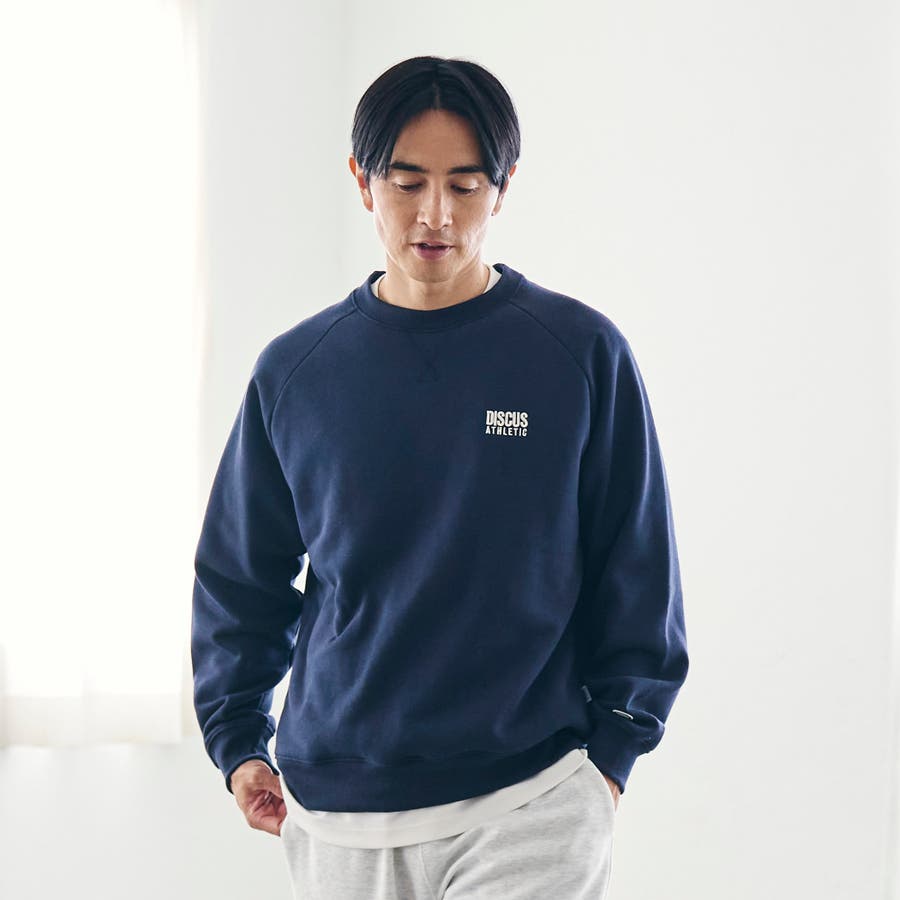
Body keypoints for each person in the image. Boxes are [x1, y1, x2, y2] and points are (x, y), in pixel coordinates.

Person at [191, 54, 689, 900]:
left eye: (465, 185)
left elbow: (637, 566)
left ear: (504, 188)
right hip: (338, 813)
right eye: (407, 181)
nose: (435, 214)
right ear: (361, 181)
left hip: (529, 799)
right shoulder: (297, 371)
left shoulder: (577, 354)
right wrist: (239, 742)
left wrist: (610, 760)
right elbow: (240, 578)